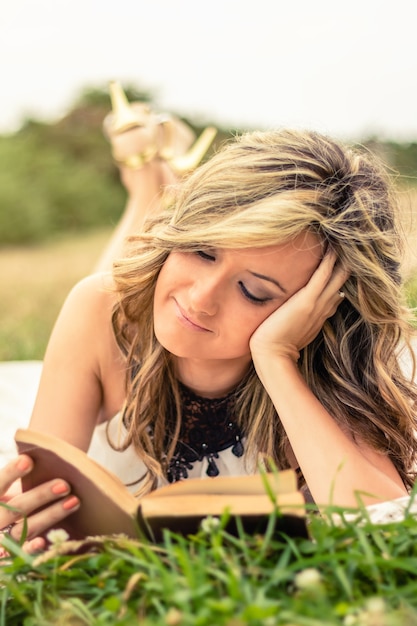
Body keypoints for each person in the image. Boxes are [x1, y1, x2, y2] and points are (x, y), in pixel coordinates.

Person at [1, 93, 417, 555]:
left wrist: (277, 360)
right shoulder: (99, 310)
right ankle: (148, 185)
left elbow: (386, 527)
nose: (201, 300)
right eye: (201, 251)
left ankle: (159, 180)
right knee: (114, 286)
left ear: (317, 309)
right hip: (111, 324)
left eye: (253, 291)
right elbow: (39, 515)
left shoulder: (324, 367)